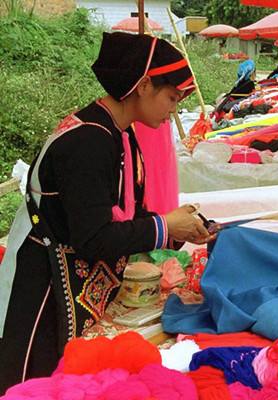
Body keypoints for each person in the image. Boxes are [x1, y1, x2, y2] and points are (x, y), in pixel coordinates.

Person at [0, 32, 216, 392]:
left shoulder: (120, 134)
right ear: (144, 86)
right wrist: (163, 226)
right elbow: (94, 236)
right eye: (171, 98)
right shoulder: (88, 141)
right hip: (42, 284)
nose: (173, 110)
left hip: (68, 278)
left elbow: (123, 214)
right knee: (30, 380)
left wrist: (179, 229)